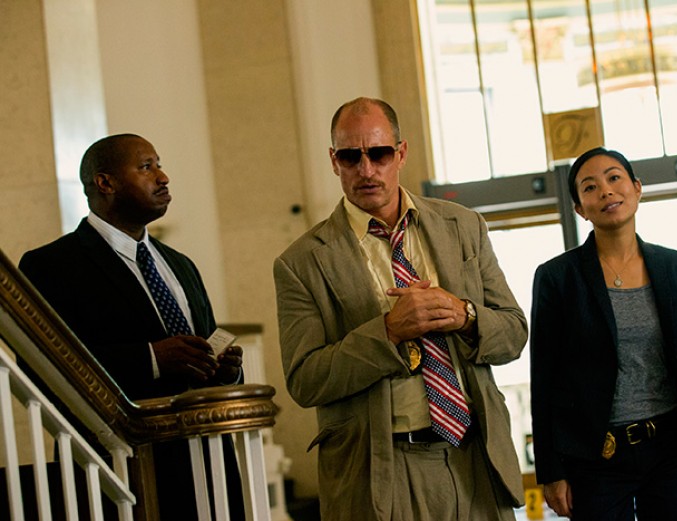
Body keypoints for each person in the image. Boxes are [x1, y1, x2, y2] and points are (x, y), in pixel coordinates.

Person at [273, 97, 529, 520]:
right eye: (351, 157)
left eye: (379, 154)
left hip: (476, 458)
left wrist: (465, 315)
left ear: (401, 153)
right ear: (334, 161)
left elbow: (514, 333)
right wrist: (388, 332)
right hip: (382, 472)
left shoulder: (463, 226)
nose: (367, 170)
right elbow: (305, 380)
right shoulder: (302, 262)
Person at [19, 134, 245, 519]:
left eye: (159, 163)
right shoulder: (52, 266)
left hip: (206, 466)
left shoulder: (180, 265)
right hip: (121, 470)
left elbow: (203, 347)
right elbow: (42, 370)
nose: (163, 176)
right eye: (146, 167)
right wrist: (151, 359)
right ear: (105, 182)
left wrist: (224, 372)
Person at [530, 147, 677, 520]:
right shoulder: (557, 278)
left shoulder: (675, 265)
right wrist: (550, 472)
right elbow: (544, 376)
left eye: (614, 178)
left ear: (636, 188)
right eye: (590, 187)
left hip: (672, 445)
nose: (606, 191)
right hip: (596, 454)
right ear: (580, 209)